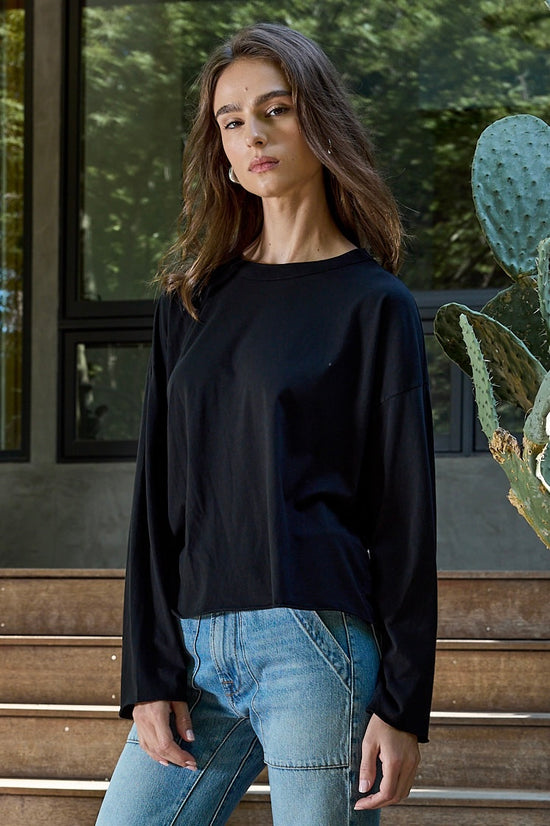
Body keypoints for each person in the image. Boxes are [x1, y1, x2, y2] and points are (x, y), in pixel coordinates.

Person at [96, 22, 437, 826]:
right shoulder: (192, 300)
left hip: (315, 647)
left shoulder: (373, 305)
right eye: (232, 119)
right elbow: (157, 496)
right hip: (197, 647)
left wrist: (404, 703)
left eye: (276, 110)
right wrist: (146, 673)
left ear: (317, 120)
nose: (254, 134)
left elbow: (404, 516)